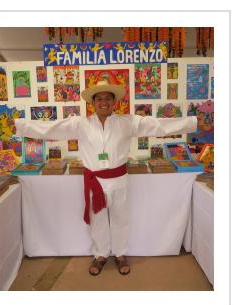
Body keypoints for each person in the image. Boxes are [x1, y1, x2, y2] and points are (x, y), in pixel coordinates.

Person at [14, 79, 197, 276]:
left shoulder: (127, 122)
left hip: (119, 180)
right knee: (98, 220)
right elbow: (49, 128)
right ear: (92, 103)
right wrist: (19, 125)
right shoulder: (80, 124)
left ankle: (119, 254)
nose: (103, 102)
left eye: (108, 98)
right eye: (99, 98)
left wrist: (192, 122)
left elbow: (158, 125)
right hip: (95, 183)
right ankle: (101, 254)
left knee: (120, 219)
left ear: (114, 102)